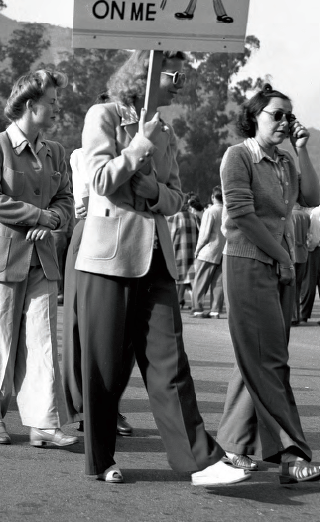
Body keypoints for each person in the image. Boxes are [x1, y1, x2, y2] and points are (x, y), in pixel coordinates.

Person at [75, 50, 248, 487]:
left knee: (171, 363)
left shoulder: (167, 131)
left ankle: (200, 461)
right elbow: (99, 181)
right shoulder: (104, 115)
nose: (183, 81)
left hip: (157, 260)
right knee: (105, 367)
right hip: (108, 259)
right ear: (146, 72)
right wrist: (138, 146)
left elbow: (174, 197)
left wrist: (153, 190)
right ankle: (99, 458)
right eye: (176, 73)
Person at [216, 84, 320, 484]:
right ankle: (292, 456)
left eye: (289, 116)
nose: (284, 121)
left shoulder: (284, 162)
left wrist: (302, 150)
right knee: (270, 361)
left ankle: (231, 447)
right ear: (255, 116)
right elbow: (242, 214)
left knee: (258, 356)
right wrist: (282, 257)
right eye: (276, 114)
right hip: (247, 264)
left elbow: (312, 198)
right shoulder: (238, 156)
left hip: (280, 269)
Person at [0, 69, 77, 449]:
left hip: (42, 261)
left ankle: (43, 424)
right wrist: (38, 216)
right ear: (31, 105)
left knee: (43, 341)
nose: (56, 108)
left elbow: (65, 200)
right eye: (51, 102)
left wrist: (54, 219)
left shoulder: (56, 151)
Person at [62, 144, 135, 437]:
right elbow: (86, 202)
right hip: (92, 235)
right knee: (82, 327)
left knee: (124, 331)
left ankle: (109, 404)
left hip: (129, 243)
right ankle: (84, 407)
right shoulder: (82, 154)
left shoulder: (138, 153)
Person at [191, 186, 226, 318]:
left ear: (212, 197)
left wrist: (197, 249)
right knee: (218, 283)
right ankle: (215, 310)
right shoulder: (228, 211)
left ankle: (198, 309)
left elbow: (204, 235)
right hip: (222, 251)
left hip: (208, 251)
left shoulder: (210, 211)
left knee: (200, 282)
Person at [298, 196, 320, 324]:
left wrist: (309, 248)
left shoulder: (316, 213)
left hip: (317, 249)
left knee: (308, 282)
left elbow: (315, 236)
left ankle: (304, 313)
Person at [167, 198, 200, 310]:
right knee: (187, 277)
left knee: (177, 277)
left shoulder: (174, 217)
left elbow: (170, 236)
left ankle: (178, 300)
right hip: (192, 251)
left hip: (178, 250)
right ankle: (181, 299)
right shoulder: (193, 216)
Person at [290, 203, 311, 325]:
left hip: (292, 253)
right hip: (303, 253)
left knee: (290, 287)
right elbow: (309, 235)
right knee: (298, 287)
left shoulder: (290, 215)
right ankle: (299, 315)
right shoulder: (306, 216)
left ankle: (292, 316)